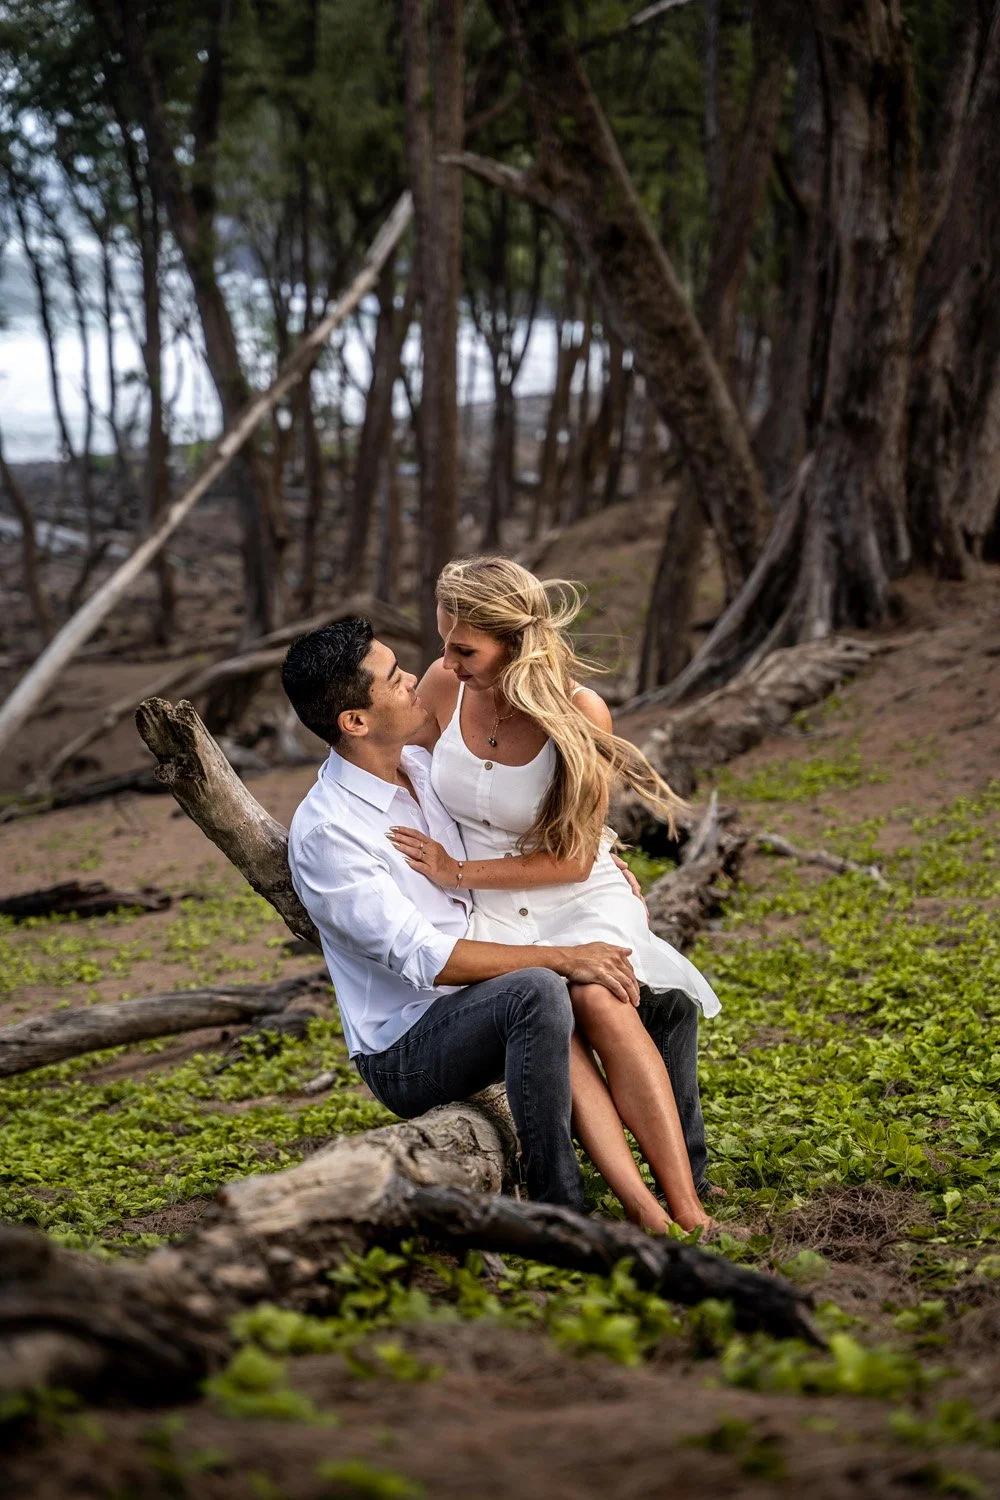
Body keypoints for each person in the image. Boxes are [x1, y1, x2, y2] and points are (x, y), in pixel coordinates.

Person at [393, 556, 722, 1236]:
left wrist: (458, 873)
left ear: (515, 643)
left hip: (570, 888)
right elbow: (394, 762)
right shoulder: (444, 684)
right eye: (442, 641)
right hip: (487, 901)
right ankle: (643, 1208)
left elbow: (573, 856)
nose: (448, 662)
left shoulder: (578, 711)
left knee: (600, 996)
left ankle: (689, 1208)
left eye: (464, 649)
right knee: (547, 1005)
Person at [281, 616, 643, 1213]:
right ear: (355, 722)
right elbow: (429, 959)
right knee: (537, 990)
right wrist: (564, 957)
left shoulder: (421, 772)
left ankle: (692, 1192)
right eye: (396, 680)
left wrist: (604, 860)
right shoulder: (330, 832)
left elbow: (503, 840)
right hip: (405, 1049)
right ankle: (561, 1211)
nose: (417, 683)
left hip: (477, 995)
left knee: (659, 998)